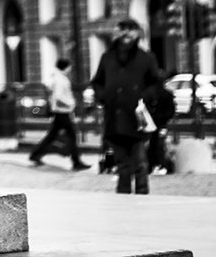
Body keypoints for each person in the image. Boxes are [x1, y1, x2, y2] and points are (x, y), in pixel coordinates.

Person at [89, 18, 161, 193]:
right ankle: (123, 197)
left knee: (140, 163)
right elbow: (97, 82)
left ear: (138, 33)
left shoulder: (146, 58)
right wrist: (104, 96)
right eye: (122, 29)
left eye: (131, 29)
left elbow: (156, 83)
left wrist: (144, 96)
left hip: (137, 118)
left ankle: (142, 195)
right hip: (114, 117)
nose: (126, 33)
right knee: (122, 164)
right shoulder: (108, 57)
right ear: (116, 33)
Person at [28, 58, 90, 171]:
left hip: (60, 112)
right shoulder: (60, 80)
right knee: (72, 135)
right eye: (69, 66)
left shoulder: (57, 78)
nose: (70, 69)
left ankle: (35, 154)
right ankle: (76, 162)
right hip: (63, 112)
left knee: (52, 136)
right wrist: (71, 104)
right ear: (66, 67)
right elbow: (59, 96)